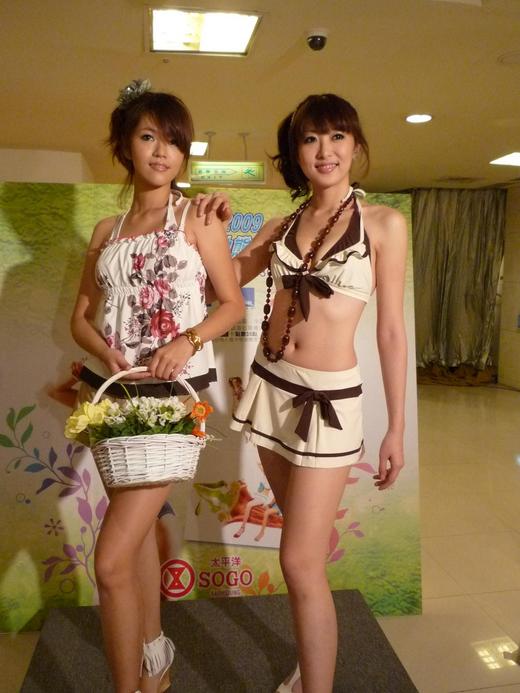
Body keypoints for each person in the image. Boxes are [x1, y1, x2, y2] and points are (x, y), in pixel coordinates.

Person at [228, 94, 407, 692]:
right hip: (270, 388)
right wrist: (203, 223)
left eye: (336, 136)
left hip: (327, 405)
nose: (324, 151)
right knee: (298, 553)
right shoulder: (281, 226)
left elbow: (390, 331)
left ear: (355, 144)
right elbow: (222, 281)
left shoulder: (383, 224)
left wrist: (396, 428)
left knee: (300, 561)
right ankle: (311, 667)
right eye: (310, 139)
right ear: (295, 151)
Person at [70, 79, 244, 693]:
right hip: (113, 398)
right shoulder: (106, 230)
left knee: (111, 561)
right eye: (149, 137)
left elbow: (231, 304)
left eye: (174, 140)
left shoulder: (197, 218)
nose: (163, 151)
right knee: (137, 539)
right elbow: (80, 319)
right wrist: (105, 351)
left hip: (170, 401)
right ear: (125, 146)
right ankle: (154, 665)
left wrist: (187, 341)